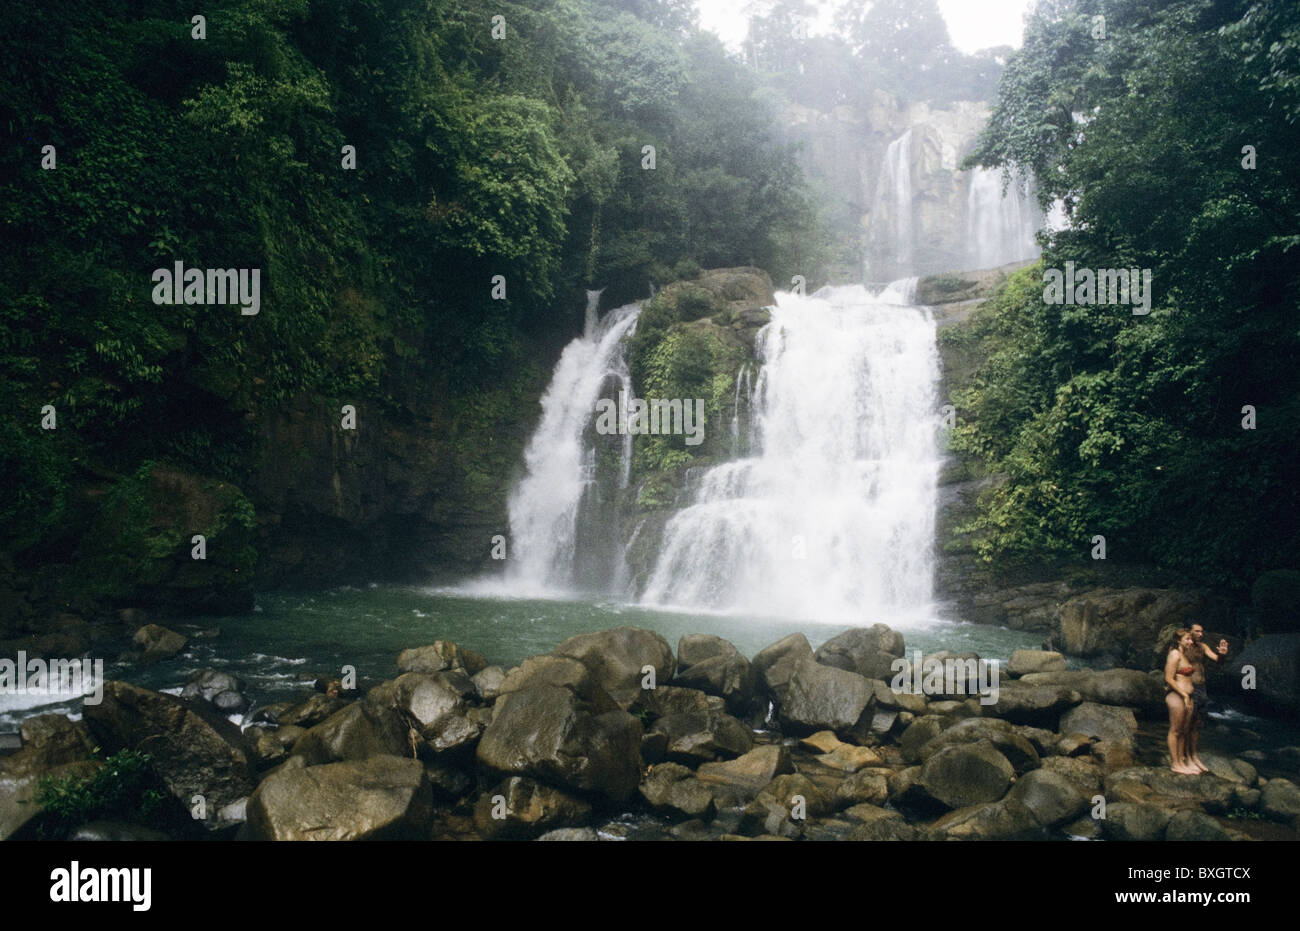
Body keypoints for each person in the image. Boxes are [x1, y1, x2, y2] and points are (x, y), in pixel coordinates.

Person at [1184, 622, 1229, 773]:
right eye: (1197, 631)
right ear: (1189, 631)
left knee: (1197, 724)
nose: (1200, 634)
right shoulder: (1182, 647)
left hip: (1202, 688)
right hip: (1189, 688)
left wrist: (1223, 653)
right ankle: (1186, 757)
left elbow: (1218, 660)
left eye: (1202, 632)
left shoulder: (1202, 647)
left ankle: (1194, 756)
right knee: (1187, 723)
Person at [1163, 629, 1199, 774]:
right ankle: (1175, 763)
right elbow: (1169, 678)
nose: (1191, 642)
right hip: (1176, 696)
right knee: (1175, 731)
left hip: (1187, 697)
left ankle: (1181, 762)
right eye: (1187, 639)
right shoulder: (1174, 654)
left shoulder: (1184, 655)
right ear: (1179, 640)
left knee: (1183, 731)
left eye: (1191, 639)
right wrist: (1184, 694)